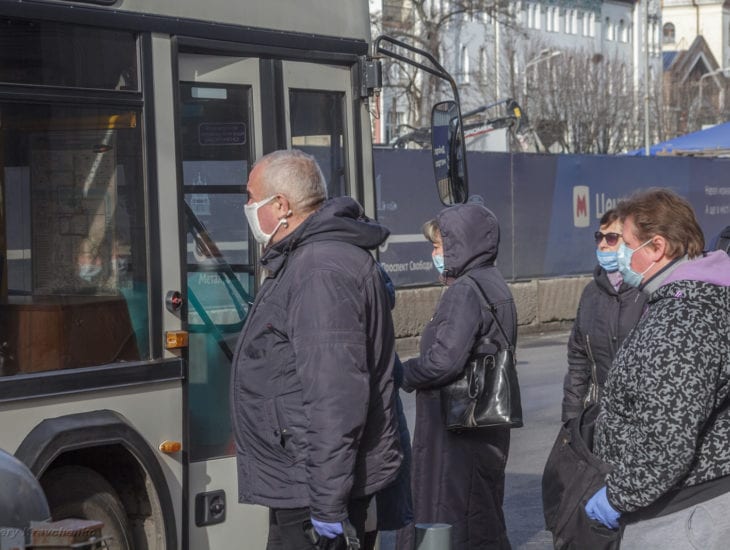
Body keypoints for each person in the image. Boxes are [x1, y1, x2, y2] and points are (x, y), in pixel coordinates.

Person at [230, 149, 402, 549]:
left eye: (251, 197)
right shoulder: (306, 260)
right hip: (304, 480)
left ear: (281, 205)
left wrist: (326, 504)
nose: (247, 207)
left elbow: (334, 398)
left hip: (313, 488)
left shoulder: (318, 270)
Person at [584, 188, 730, 548]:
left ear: (657, 247)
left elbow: (667, 441)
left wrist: (618, 497)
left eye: (626, 243)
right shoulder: (683, 300)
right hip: (682, 505)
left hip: (681, 516)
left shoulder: (683, 319)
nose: (618, 253)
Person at [402, 196, 516, 550]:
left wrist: (404, 372)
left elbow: (444, 362)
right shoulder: (493, 282)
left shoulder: (464, 291)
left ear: (459, 245)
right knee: (480, 511)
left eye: (439, 245)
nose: (435, 253)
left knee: (446, 512)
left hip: (454, 427)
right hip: (485, 421)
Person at [561, 209, 647, 421]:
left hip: (639, 416)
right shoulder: (591, 292)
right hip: (598, 415)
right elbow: (578, 359)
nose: (602, 244)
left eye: (612, 238)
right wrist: (572, 416)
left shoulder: (648, 290)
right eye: (599, 237)